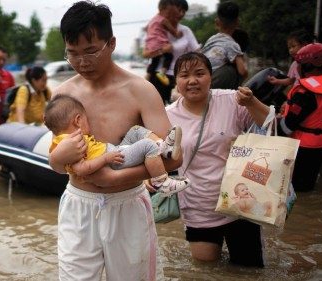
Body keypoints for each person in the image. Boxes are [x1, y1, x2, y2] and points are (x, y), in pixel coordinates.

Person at [50, 1, 183, 280]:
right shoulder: (63, 95)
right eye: (72, 54)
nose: (82, 62)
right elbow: (59, 164)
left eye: (90, 51)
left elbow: (173, 157)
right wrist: (59, 158)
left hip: (127, 204)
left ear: (111, 43)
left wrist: (115, 180)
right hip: (79, 205)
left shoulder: (140, 91)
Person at [163, 52, 270, 267]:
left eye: (200, 73)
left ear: (211, 77)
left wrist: (251, 103)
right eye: (184, 75)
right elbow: (159, 156)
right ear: (177, 81)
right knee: (206, 269)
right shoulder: (167, 115)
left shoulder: (232, 100)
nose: (192, 81)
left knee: (249, 269)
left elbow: (268, 124)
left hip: (240, 202)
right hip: (197, 204)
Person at [45, 94, 189, 196]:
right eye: (86, 119)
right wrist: (106, 159)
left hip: (114, 151)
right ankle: (161, 182)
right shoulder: (71, 142)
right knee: (147, 145)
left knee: (136, 130)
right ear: (77, 120)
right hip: (114, 161)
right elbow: (82, 170)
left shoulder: (62, 140)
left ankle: (164, 147)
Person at [277, 43, 322, 192]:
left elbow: (287, 127)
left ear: (305, 66)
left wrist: (276, 121)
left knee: (293, 191)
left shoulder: (304, 93)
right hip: (320, 145)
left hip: (300, 148)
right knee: (307, 188)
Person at [143, 0, 200, 105]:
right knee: (157, 109)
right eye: (179, 10)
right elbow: (145, 54)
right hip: (158, 76)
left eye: (184, 11)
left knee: (178, 110)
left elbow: (197, 53)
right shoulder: (157, 29)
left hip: (179, 77)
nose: (181, 14)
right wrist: (162, 50)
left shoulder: (185, 31)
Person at [201, 1, 247, 90]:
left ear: (217, 22)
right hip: (213, 82)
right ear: (237, 22)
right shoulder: (233, 45)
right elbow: (242, 71)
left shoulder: (211, 39)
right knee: (233, 70)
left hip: (201, 77)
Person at [145, 0, 183, 86]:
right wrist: (178, 34)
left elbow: (146, 28)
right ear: (162, 9)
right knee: (169, 56)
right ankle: (162, 73)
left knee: (155, 60)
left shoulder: (152, 20)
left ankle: (147, 76)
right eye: (168, 13)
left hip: (151, 43)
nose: (169, 15)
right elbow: (173, 32)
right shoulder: (163, 20)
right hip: (160, 42)